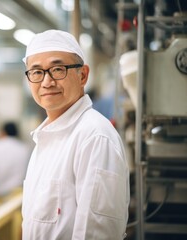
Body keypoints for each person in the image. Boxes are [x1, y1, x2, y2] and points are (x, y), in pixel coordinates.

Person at [21, 29, 130, 239]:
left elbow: (97, 233)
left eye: (58, 69)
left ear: (83, 75)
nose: (46, 82)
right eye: (36, 72)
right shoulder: (44, 139)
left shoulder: (94, 137)